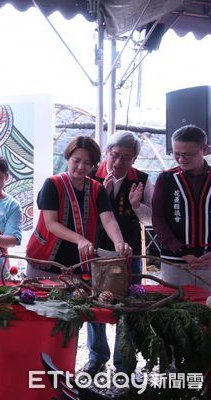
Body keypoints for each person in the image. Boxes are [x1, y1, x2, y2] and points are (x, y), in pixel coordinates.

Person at [85, 131, 154, 374]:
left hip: (129, 252)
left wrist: (137, 206)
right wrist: (97, 196)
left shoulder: (142, 180)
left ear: (134, 159)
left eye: (126, 157)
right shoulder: (90, 176)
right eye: (114, 155)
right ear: (106, 153)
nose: (118, 162)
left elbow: (151, 219)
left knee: (129, 304)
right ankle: (96, 356)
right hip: (96, 249)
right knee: (95, 303)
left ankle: (123, 361)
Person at [26, 135, 132, 278]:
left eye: (87, 163)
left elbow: (109, 220)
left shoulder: (97, 189)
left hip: (78, 263)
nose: (81, 167)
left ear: (93, 165)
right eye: (76, 160)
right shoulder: (52, 184)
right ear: (68, 158)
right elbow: (51, 223)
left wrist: (119, 243)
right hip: (44, 260)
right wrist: (80, 239)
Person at [152, 125, 211, 291]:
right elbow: (158, 218)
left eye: (187, 154)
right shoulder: (167, 179)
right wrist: (180, 250)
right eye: (176, 154)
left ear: (204, 149)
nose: (181, 159)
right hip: (175, 260)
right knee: (176, 311)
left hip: (209, 260)